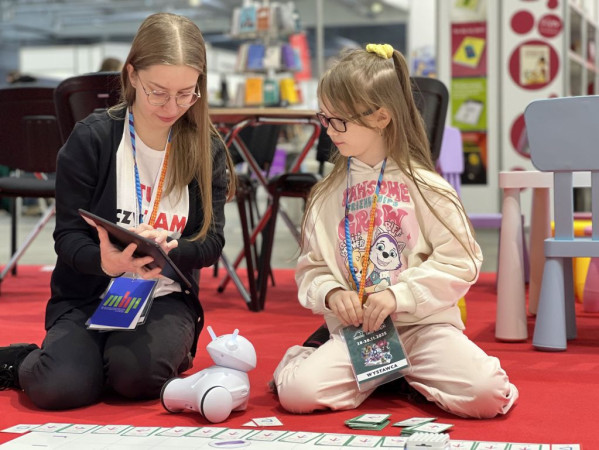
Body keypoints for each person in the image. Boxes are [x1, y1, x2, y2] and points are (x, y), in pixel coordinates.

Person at [0, 12, 236, 410]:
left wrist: (173, 247)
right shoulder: (92, 138)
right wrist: (105, 261)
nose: (172, 106)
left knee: (136, 378)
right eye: (157, 92)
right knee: (58, 388)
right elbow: (68, 237)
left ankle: (122, 358)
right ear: (132, 76)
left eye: (186, 93)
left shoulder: (204, 148)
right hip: (87, 295)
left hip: (163, 297)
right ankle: (25, 358)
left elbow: (211, 243)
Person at [271, 43, 518, 419]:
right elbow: (312, 268)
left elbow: (461, 260)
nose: (329, 131)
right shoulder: (325, 195)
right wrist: (332, 293)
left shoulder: (428, 187)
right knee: (298, 394)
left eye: (339, 121)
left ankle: (395, 376)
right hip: (359, 333)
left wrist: (398, 296)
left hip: (425, 329)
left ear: (381, 117)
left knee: (488, 394)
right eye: (325, 118)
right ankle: (313, 356)